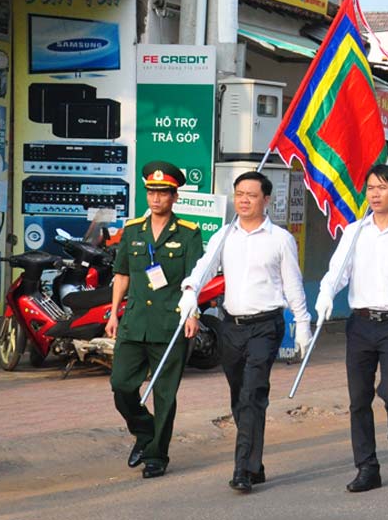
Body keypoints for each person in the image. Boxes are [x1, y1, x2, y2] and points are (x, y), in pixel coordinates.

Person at [180, 171, 311, 492]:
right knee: (240, 398)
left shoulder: (280, 239)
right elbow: (203, 269)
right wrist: (189, 292)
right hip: (231, 328)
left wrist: (303, 324)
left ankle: (242, 469)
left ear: (266, 200)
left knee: (253, 393)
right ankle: (255, 462)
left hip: (266, 327)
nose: (244, 200)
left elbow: (292, 284)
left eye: (251, 195)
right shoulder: (224, 236)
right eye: (239, 194)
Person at [315, 164, 388, 493]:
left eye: (382, 188)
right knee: (359, 399)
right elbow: (338, 271)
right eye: (370, 188)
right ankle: (367, 466)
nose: (375, 194)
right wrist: (325, 295)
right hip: (361, 325)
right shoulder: (355, 233)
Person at [105, 161, 204, 479]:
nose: (156, 198)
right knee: (120, 385)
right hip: (134, 322)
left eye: (163, 193)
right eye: (151, 192)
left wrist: (194, 314)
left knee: (164, 394)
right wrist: (113, 313)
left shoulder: (188, 233)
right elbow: (121, 275)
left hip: (169, 324)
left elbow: (194, 280)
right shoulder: (133, 230)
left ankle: (157, 455)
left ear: (174, 197)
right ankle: (145, 433)